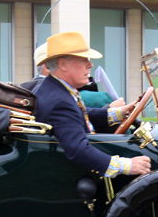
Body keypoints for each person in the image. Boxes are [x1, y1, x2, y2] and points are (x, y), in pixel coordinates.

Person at [33, 31, 151, 178]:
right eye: (84, 60)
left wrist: (118, 113)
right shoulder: (59, 100)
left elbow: (79, 114)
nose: (90, 65)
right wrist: (126, 165)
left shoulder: (55, 89)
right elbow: (77, 150)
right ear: (62, 64)